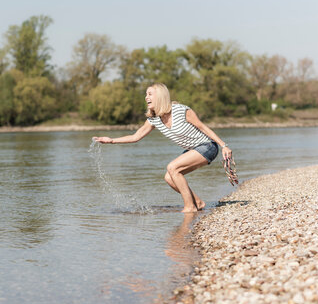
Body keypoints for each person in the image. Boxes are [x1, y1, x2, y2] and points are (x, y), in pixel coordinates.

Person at [93, 83, 233, 213]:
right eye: (146, 94)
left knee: (172, 167)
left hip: (207, 146)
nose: (146, 97)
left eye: (149, 94)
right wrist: (111, 141)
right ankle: (198, 202)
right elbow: (136, 136)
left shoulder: (181, 110)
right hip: (192, 150)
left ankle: (190, 207)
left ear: (160, 96)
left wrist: (223, 146)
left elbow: (203, 127)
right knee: (169, 177)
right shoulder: (153, 119)